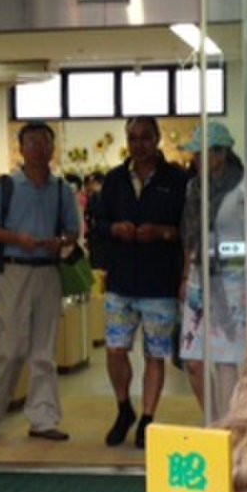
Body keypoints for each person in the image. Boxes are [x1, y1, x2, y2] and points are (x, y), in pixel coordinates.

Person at [0, 121, 82, 442]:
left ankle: (43, 419)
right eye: (33, 143)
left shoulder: (63, 190)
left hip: (48, 272)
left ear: (53, 148)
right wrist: (17, 239)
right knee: (8, 348)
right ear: (22, 149)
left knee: (44, 351)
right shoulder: (6, 187)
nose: (40, 149)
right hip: (13, 271)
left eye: (45, 143)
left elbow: (73, 231)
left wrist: (60, 241)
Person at [94, 116, 189, 448]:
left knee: (155, 354)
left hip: (160, 283)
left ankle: (147, 418)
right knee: (115, 350)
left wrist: (161, 232)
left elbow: (187, 229)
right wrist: (114, 229)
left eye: (146, 137)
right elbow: (98, 224)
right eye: (133, 138)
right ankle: (124, 408)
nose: (139, 144)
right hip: (121, 281)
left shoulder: (177, 180)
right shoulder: (115, 180)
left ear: (158, 138)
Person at [178, 121, 247, 418]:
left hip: (232, 281)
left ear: (220, 154)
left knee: (226, 361)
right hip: (197, 278)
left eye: (201, 153)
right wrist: (185, 275)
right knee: (193, 361)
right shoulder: (194, 187)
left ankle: (227, 428)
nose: (195, 159)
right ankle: (215, 420)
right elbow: (189, 235)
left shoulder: (244, 187)